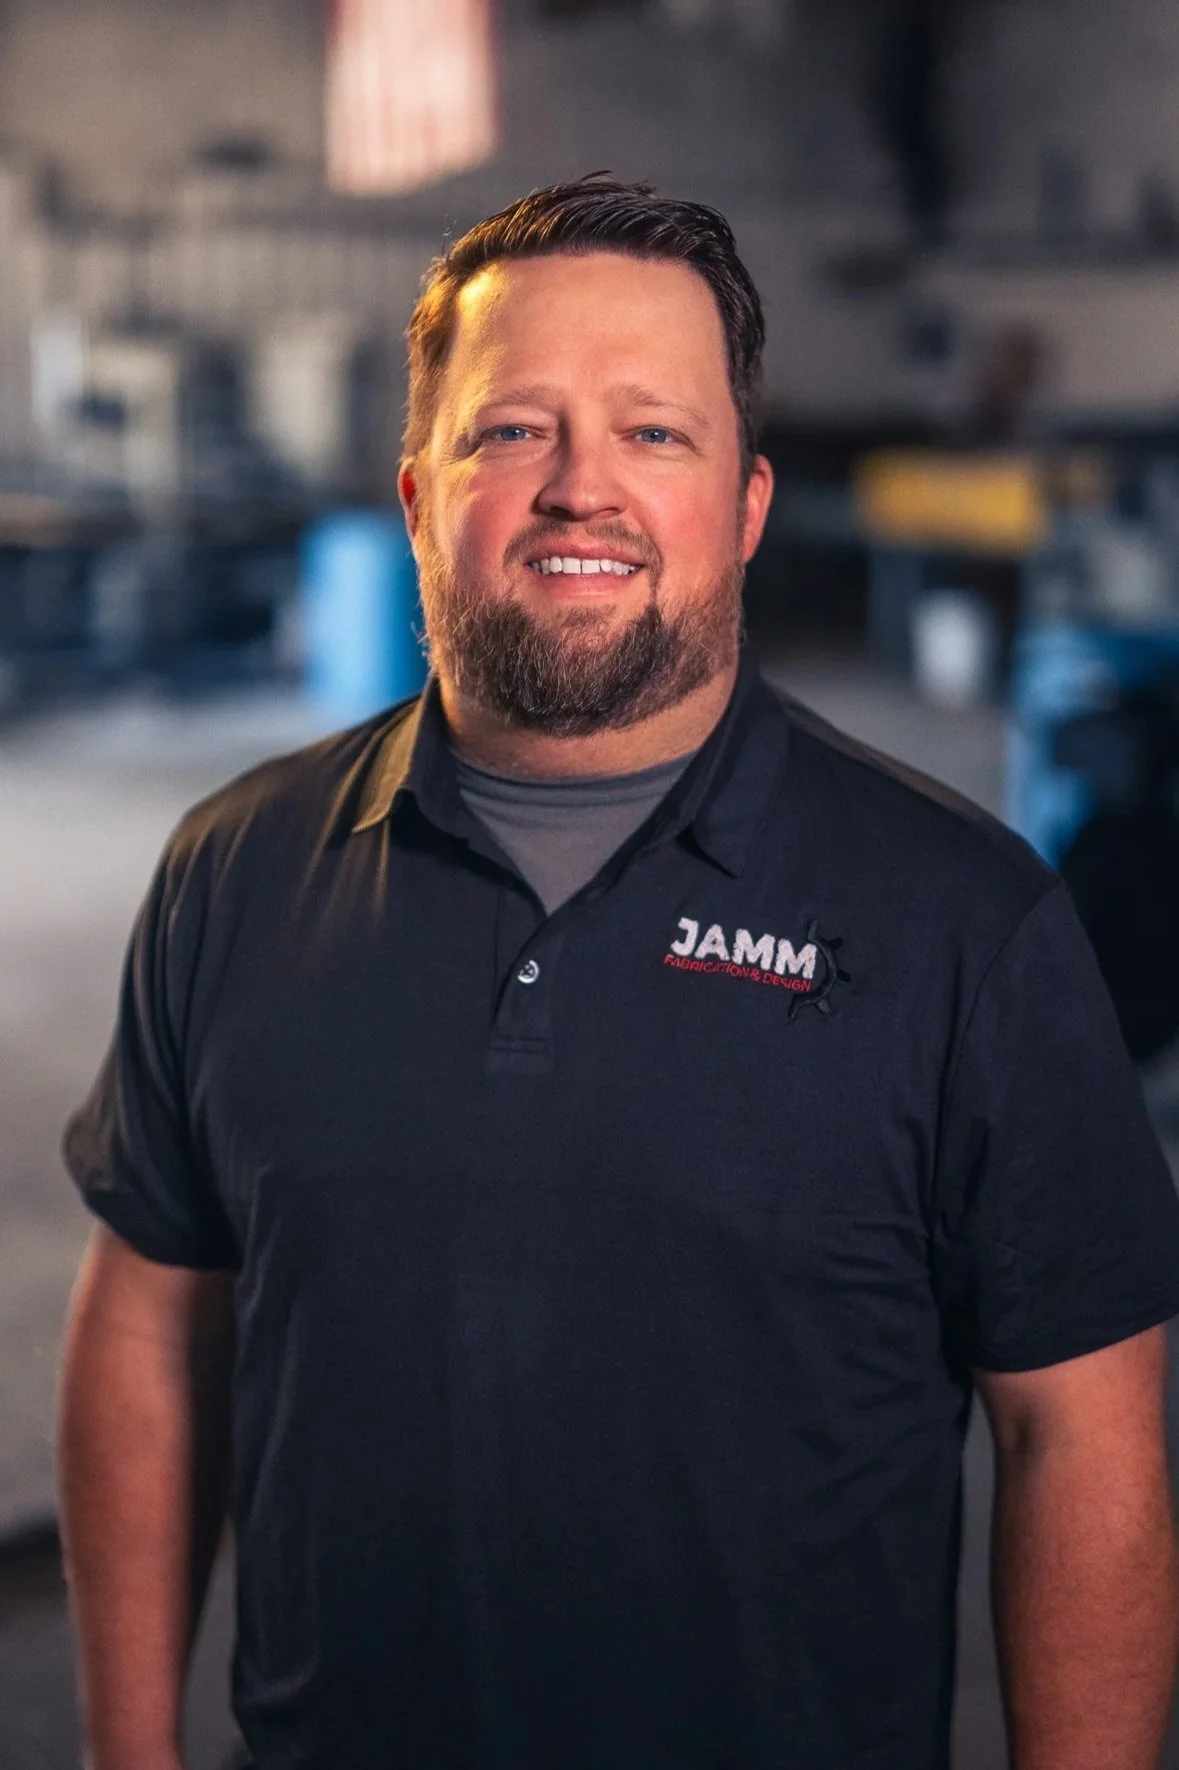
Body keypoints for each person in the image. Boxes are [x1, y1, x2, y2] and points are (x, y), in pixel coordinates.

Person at [59, 175, 1179, 1770]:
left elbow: (1073, 1431)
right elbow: (152, 1324)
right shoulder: (234, 870)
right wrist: (126, 1749)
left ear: (745, 504)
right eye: (512, 429)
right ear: (414, 495)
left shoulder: (962, 921)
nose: (582, 487)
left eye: (654, 431)